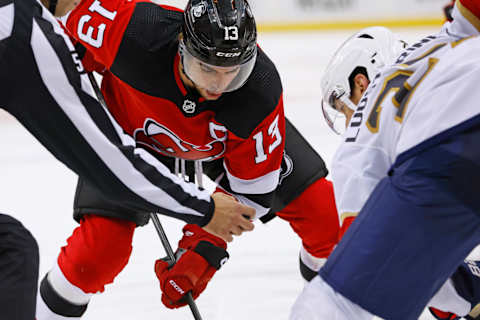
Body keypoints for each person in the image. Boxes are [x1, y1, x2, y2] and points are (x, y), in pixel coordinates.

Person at [35, 0, 339, 318]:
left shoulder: (258, 91)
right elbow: (56, 21)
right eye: (205, 67)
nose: (216, 86)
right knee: (96, 256)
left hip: (223, 146)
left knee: (325, 219)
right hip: (131, 135)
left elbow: (252, 193)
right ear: (182, 43)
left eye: (232, 72)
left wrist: (201, 249)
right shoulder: (132, 31)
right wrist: (73, 57)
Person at [0, 0, 256, 318]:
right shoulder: (26, 32)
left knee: (15, 247)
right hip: (130, 152)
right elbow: (106, 160)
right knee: (14, 252)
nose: (82, 4)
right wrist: (204, 210)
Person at [289, 0, 480, 319]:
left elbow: (380, 262)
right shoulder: (443, 46)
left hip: (456, 153)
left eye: (342, 104)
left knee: (332, 305)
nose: (346, 117)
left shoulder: (358, 145)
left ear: (360, 83)